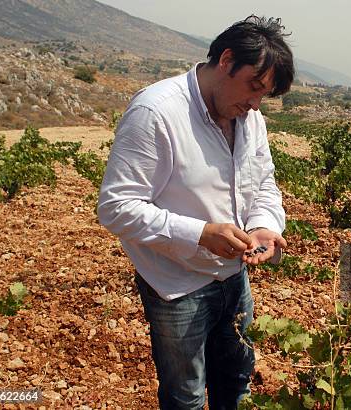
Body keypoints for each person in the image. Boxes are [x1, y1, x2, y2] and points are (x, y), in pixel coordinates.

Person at [97, 15, 294, 409]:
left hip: (235, 281)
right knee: (184, 396)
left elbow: (264, 182)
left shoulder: (249, 118)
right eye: (253, 87)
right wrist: (201, 233)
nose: (255, 104)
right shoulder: (156, 113)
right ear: (225, 61)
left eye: (264, 95)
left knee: (236, 384)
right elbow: (116, 207)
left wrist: (264, 226)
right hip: (177, 286)